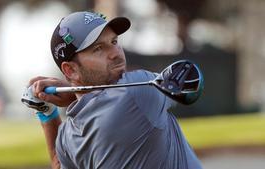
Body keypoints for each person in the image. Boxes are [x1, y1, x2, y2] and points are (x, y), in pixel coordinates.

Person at [23, 11, 202, 169]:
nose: (116, 53)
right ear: (71, 70)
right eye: (98, 49)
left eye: (114, 41)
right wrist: (72, 95)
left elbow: (58, 162)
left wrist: (47, 113)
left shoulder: (68, 136)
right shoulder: (138, 90)